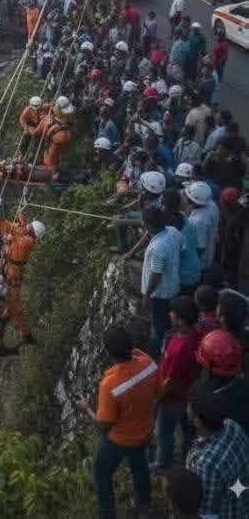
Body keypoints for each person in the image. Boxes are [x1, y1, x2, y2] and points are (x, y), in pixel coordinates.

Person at [77, 325, 158, 519]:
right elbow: (158, 393)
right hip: (144, 431)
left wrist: (86, 408)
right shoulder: (148, 364)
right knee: (139, 466)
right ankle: (144, 506)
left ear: (108, 352)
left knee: (100, 472)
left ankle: (107, 515)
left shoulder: (110, 385)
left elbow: (104, 424)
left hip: (119, 440)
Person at [185, 381, 249, 519]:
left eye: (190, 404)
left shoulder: (206, 465)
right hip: (242, 504)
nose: (187, 405)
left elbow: (207, 513)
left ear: (197, 421)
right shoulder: (232, 426)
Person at [153, 296, 202, 472]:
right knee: (186, 427)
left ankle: (163, 465)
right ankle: (186, 455)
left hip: (172, 397)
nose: (169, 315)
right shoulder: (194, 334)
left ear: (180, 319)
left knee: (164, 432)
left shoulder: (179, 348)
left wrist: (157, 399)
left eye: (172, 313)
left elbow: (170, 381)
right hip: (187, 392)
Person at [0, 212, 45, 355]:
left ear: (31, 232)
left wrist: (1, 216)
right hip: (8, 268)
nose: (27, 227)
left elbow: (14, 229)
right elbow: (22, 227)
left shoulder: (26, 241)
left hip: (12, 275)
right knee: (9, 304)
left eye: (29, 227)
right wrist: (20, 215)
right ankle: (4, 319)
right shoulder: (27, 237)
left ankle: (25, 334)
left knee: (14, 306)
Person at [141, 208, 183, 356]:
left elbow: (156, 275)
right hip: (173, 285)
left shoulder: (158, 248)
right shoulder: (173, 231)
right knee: (169, 322)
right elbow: (182, 248)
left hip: (160, 294)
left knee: (158, 328)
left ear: (147, 225)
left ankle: (158, 355)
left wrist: (147, 295)